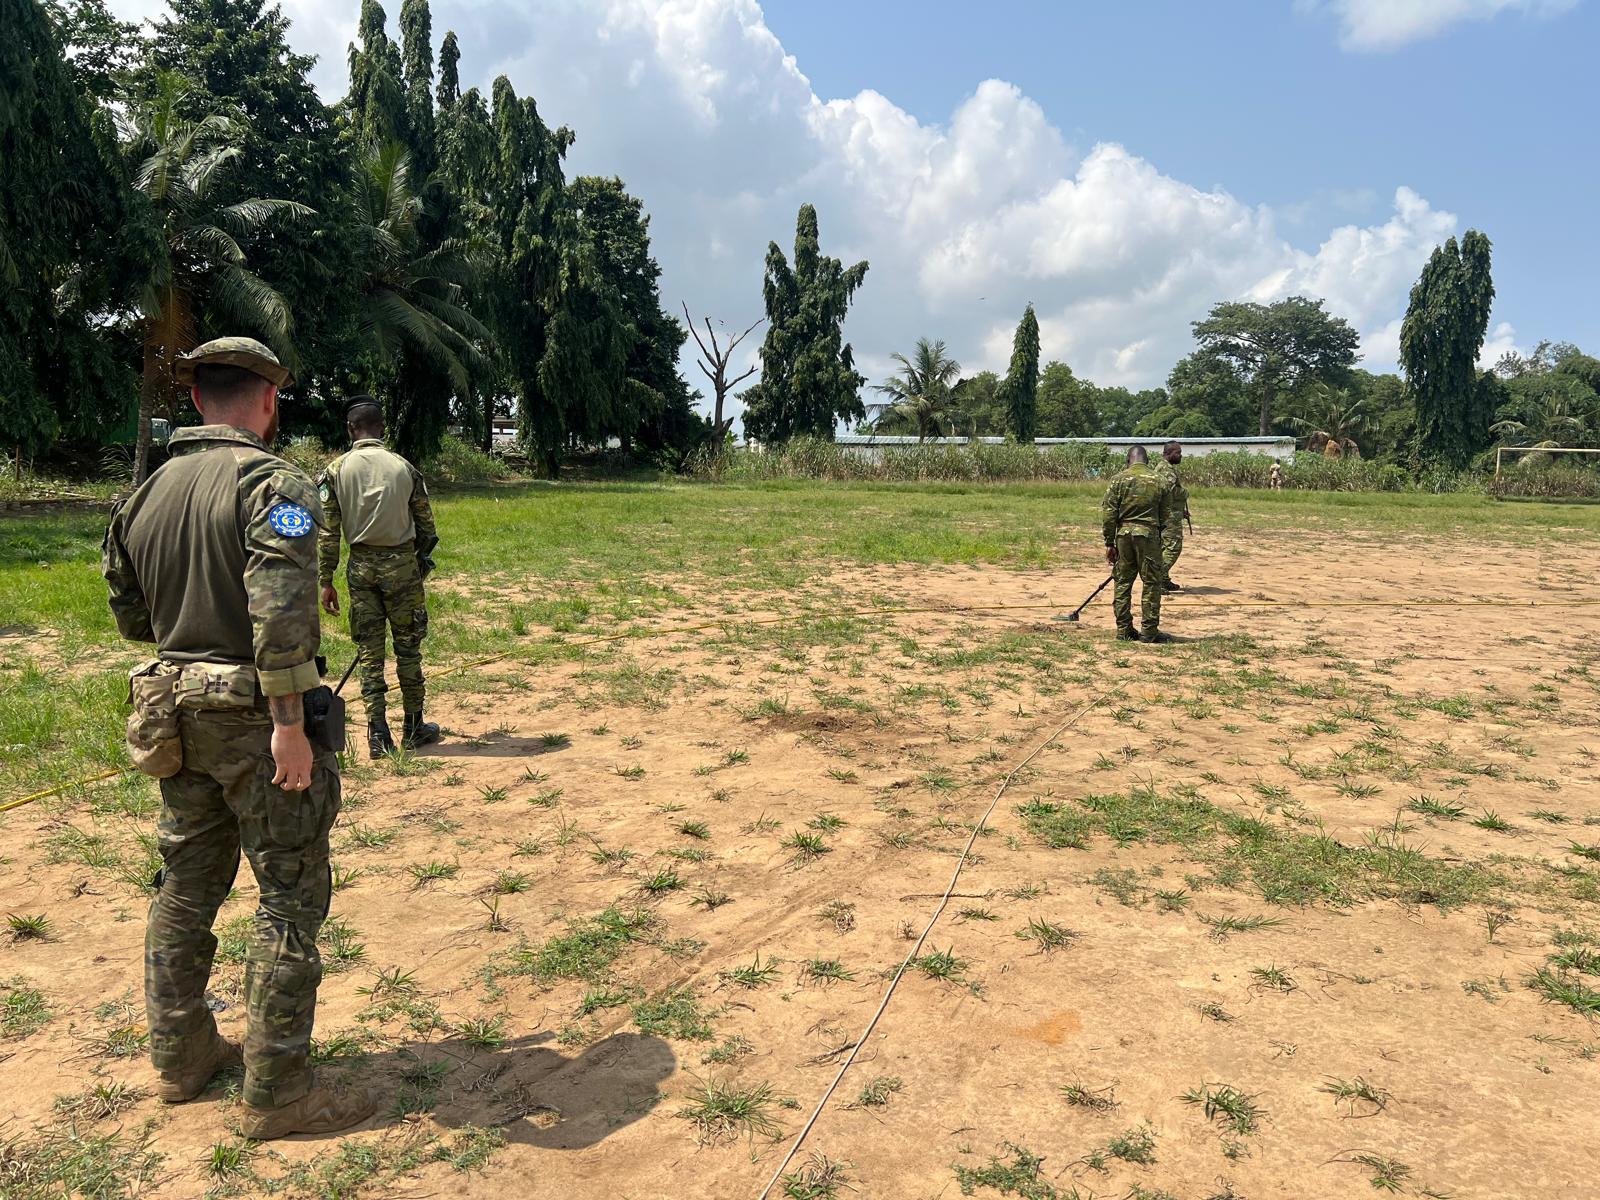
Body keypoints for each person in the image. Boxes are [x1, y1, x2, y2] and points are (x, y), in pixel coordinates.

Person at [101, 337, 374, 1139]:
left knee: (185, 887)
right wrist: (291, 724)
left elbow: (130, 615)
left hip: (174, 715)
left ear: (195, 401)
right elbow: (283, 608)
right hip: (258, 722)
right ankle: (278, 1092)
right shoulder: (274, 484)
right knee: (288, 897)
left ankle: (181, 1061)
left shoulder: (144, 493)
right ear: (266, 401)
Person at [317, 398, 442, 758]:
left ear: (350, 428)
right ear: (382, 428)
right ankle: (414, 726)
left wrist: (326, 580)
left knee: (369, 651)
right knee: (408, 648)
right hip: (401, 565)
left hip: (361, 568)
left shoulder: (336, 470)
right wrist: (418, 563)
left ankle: (377, 733)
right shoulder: (404, 467)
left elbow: (328, 531)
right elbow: (427, 525)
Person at [1099, 445, 1176, 643]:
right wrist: (1157, 533)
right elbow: (1166, 514)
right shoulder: (1159, 480)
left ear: (1128, 460)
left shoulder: (1118, 480)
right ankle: (1149, 632)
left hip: (1123, 536)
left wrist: (1109, 542)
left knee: (1123, 582)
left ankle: (1124, 629)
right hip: (1149, 535)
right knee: (1151, 582)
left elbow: (1109, 514)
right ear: (1147, 461)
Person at [1151, 440, 1193, 593]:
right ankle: (1157, 579)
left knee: (1164, 547)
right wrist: (1184, 493)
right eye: (1178, 453)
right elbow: (1168, 491)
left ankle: (1164, 579)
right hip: (1168, 517)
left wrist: (1181, 511)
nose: (1180, 455)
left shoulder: (1164, 468)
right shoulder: (1166, 470)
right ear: (1168, 454)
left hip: (1169, 513)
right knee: (1173, 547)